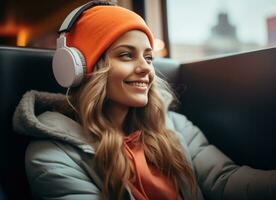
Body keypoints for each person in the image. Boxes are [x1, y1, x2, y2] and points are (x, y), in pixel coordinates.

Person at [12, 1, 276, 200]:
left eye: (148, 58)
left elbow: (224, 179)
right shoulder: (52, 155)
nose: (146, 69)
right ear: (82, 69)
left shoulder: (174, 124)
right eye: (127, 56)